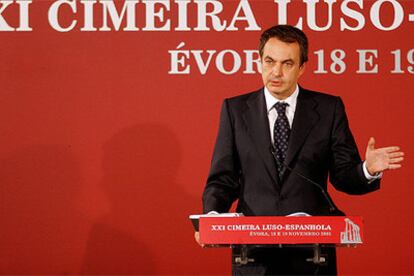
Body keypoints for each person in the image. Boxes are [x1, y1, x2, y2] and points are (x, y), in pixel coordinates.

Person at [195, 25, 404, 275]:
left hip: (312, 256)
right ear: (259, 61)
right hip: (253, 256)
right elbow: (223, 179)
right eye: (269, 61)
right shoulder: (235, 110)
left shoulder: (328, 109)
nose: (276, 72)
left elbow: (343, 177)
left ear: (302, 67)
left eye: (287, 64)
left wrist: (367, 170)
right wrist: (211, 219)